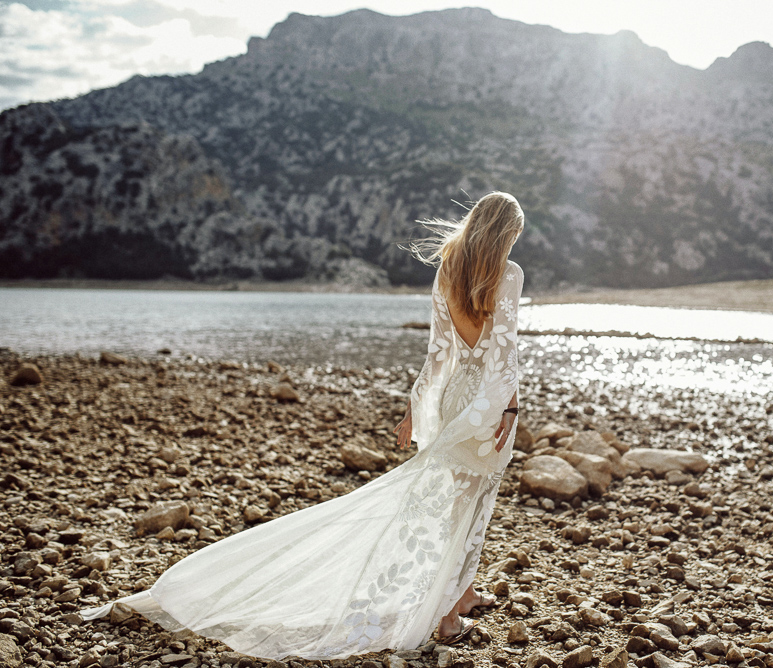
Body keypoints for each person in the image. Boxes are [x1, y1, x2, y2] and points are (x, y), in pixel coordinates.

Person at [80, 191, 526, 661]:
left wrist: (417, 407)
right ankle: (450, 615)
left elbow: (438, 353)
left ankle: (463, 595)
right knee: (474, 503)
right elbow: (504, 357)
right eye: (515, 235)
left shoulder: (448, 270)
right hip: (488, 403)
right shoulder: (508, 275)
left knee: (451, 503)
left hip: (457, 394)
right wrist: (509, 409)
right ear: (506, 233)